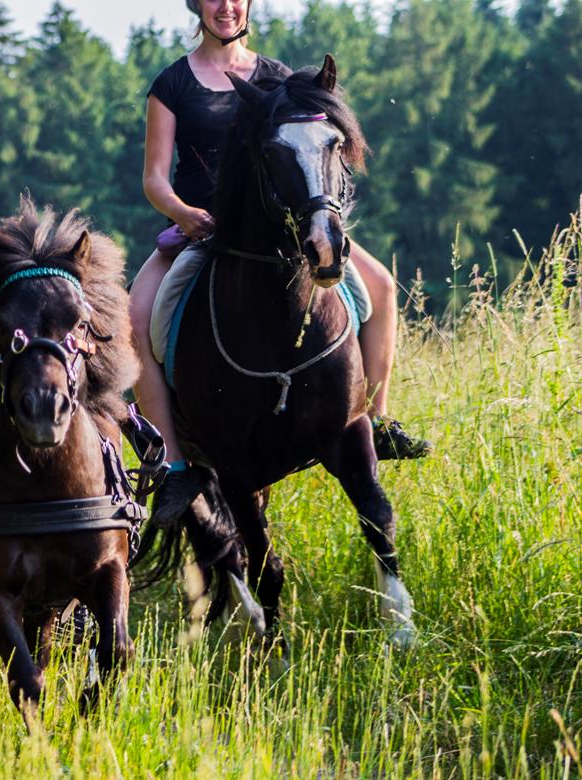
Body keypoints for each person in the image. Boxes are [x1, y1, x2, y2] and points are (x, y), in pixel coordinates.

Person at [129, 0, 432, 526]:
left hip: (289, 231)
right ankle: (175, 465)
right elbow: (155, 178)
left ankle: (377, 420)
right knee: (134, 320)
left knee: (380, 288)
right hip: (204, 229)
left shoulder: (280, 78)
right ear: (197, 6)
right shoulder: (172, 84)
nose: (227, 6)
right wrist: (186, 212)